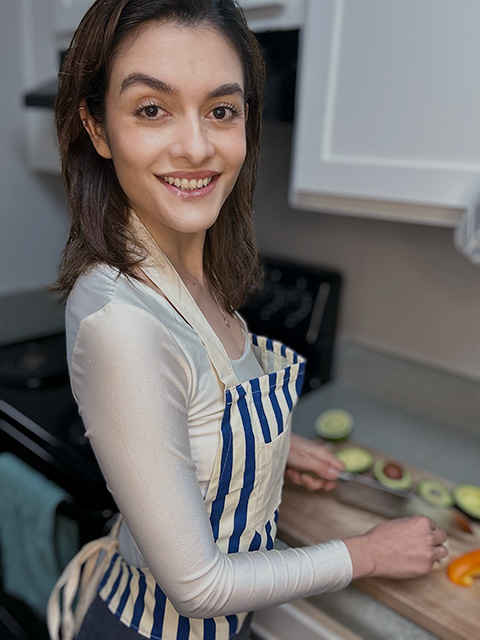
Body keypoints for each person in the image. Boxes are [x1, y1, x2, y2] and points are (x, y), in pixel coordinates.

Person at [46, 1, 448, 639]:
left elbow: (201, 412)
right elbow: (199, 584)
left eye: (222, 110)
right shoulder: (120, 320)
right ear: (97, 128)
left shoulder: (196, 274)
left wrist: (270, 451)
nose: (198, 146)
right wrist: (368, 553)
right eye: (152, 109)